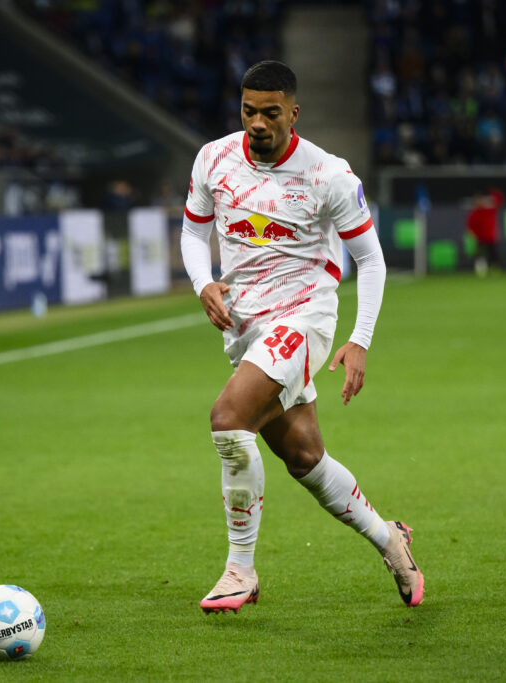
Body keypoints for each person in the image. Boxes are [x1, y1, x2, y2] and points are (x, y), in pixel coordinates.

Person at [180, 60, 423, 614]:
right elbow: (193, 232)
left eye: (271, 113)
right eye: (249, 111)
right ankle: (390, 539)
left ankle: (240, 570)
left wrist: (359, 339)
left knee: (228, 419)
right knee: (305, 458)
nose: (257, 123)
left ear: (294, 113)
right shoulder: (213, 159)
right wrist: (203, 284)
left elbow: (371, 260)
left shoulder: (328, 175)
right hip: (246, 328)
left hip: (304, 319)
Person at [466, 189, 504, 276]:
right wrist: (472, 235)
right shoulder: (474, 213)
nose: (478, 202)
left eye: (480, 200)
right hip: (480, 238)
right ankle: (481, 270)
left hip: (490, 237)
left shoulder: (489, 210)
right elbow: (470, 227)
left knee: (493, 255)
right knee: (480, 255)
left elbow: (499, 199)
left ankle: (494, 269)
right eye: (477, 200)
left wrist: (492, 190)